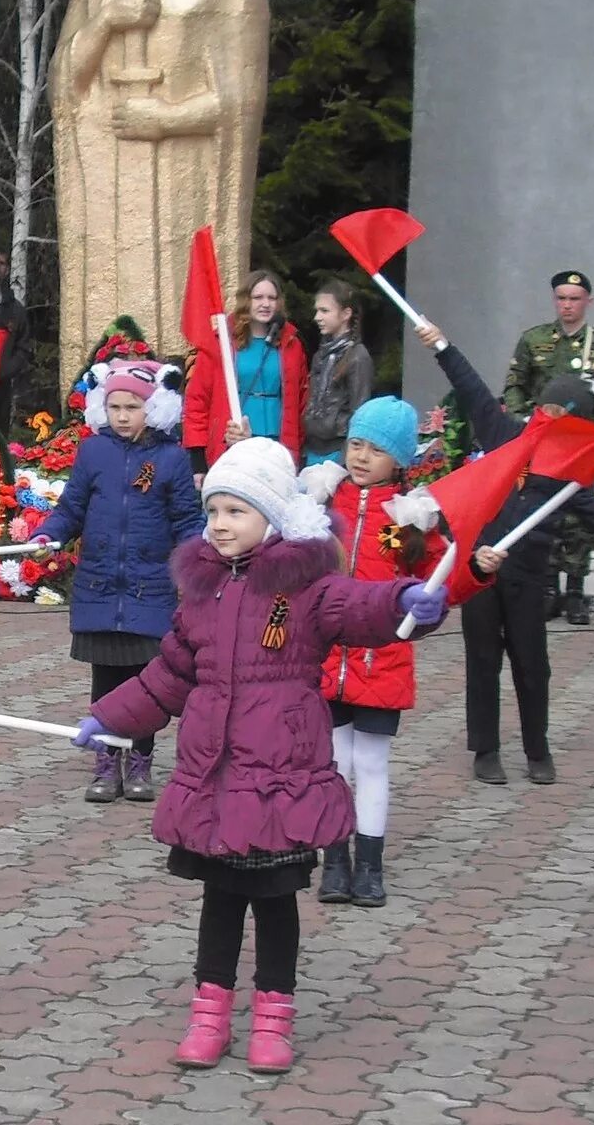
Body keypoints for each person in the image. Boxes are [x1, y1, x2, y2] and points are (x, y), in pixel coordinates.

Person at [74, 437, 450, 1074]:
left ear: (273, 517)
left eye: (236, 511)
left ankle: (274, 1016)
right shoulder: (200, 595)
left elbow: (360, 606)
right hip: (216, 780)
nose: (219, 524)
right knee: (219, 900)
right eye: (213, 510)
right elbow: (168, 675)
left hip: (281, 779)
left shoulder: (307, 586)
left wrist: (405, 601)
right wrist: (108, 718)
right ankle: (210, 1011)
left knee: (276, 903)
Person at [417, 321, 594, 785]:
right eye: (547, 407)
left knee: (532, 664)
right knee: (482, 658)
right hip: (480, 569)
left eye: (564, 414)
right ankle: (486, 749)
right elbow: (471, 387)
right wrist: (441, 346)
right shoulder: (505, 433)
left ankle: (537, 748)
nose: (550, 417)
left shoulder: (569, 476)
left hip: (529, 576)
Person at [305, 397, 456, 909]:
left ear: (400, 459)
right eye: (356, 444)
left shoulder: (411, 519)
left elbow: (435, 582)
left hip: (381, 661)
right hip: (325, 659)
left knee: (371, 763)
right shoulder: (322, 501)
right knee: (331, 761)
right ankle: (335, 857)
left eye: (376, 449)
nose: (362, 457)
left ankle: (369, 863)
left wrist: (457, 577)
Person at [30, 360, 201, 806]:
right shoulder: (94, 452)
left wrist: (199, 566)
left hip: (150, 589)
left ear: (154, 407)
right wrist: (49, 533)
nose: (122, 415)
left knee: (147, 682)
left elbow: (187, 520)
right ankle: (107, 762)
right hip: (101, 588)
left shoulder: (171, 458)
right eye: (114, 406)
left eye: (132, 406)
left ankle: (141, 760)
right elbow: (71, 507)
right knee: (106, 682)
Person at [503, 270, 594, 626]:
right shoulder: (535, 340)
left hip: (580, 440)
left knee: (579, 513)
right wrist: (523, 420)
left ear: (587, 301)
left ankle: (576, 591)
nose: (567, 305)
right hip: (544, 440)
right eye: (561, 298)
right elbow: (515, 384)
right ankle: (547, 587)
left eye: (574, 299)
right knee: (542, 509)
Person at [182, 269, 309, 467]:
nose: (265, 304)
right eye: (258, 297)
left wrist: (299, 450)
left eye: (272, 298)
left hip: (278, 445)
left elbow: (301, 402)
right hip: (233, 441)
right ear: (246, 300)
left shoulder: (292, 343)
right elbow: (198, 399)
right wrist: (197, 459)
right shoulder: (222, 341)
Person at [300, 280, 373, 465]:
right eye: (317, 310)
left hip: (337, 449)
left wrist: (348, 456)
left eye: (324, 311)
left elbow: (360, 409)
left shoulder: (357, 356)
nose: (317, 317)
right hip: (312, 445)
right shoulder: (321, 354)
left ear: (346, 314)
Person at [0, 252, 35, 440]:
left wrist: (6, 369)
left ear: (7, 269)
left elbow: (23, 346)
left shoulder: (14, 308)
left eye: (2, 263)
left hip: (1, 382)